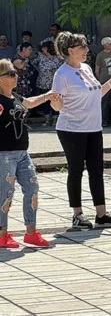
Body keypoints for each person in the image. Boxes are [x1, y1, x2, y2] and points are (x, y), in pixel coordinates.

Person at [50, 32, 111, 230]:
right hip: (72, 129)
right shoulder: (62, 74)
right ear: (71, 51)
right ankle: (77, 215)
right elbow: (57, 106)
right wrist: (56, 103)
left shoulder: (85, 68)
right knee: (76, 171)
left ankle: (101, 214)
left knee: (96, 171)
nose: (86, 50)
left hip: (93, 127)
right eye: (82, 47)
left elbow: (94, 94)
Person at [0, 59, 57, 248]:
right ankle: (2, 234)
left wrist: (47, 96)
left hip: (22, 152)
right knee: (5, 194)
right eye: (10, 74)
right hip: (4, 153)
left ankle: (31, 232)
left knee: (32, 189)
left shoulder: (14, 97)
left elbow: (30, 102)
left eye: (15, 73)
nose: (15, 76)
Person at [32, 41, 62, 126]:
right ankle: (47, 119)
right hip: (42, 83)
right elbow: (33, 63)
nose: (43, 49)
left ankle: (56, 119)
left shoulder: (56, 59)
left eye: (45, 48)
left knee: (55, 100)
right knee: (45, 102)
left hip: (54, 83)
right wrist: (39, 71)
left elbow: (60, 69)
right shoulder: (40, 58)